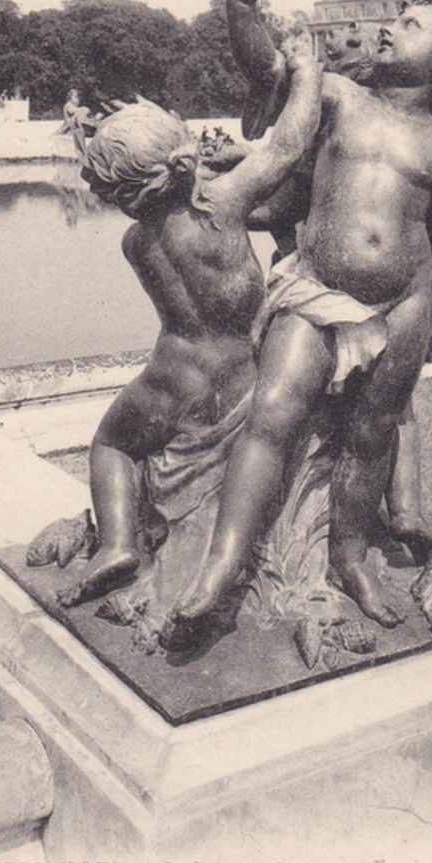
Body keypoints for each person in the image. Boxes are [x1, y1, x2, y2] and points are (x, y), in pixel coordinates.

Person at [173, 0, 432, 630]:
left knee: (373, 435)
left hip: (404, 306)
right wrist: (238, 5)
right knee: (272, 413)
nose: (390, 27)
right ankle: (223, 565)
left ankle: (351, 556)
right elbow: (269, 67)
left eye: (412, 25)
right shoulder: (339, 95)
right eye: (394, 19)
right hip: (316, 290)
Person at [55, 40, 322, 607]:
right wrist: (307, 76)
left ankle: (118, 543)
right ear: (184, 158)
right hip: (241, 366)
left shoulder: (137, 241)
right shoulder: (224, 204)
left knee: (112, 444)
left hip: (172, 371)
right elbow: (288, 144)